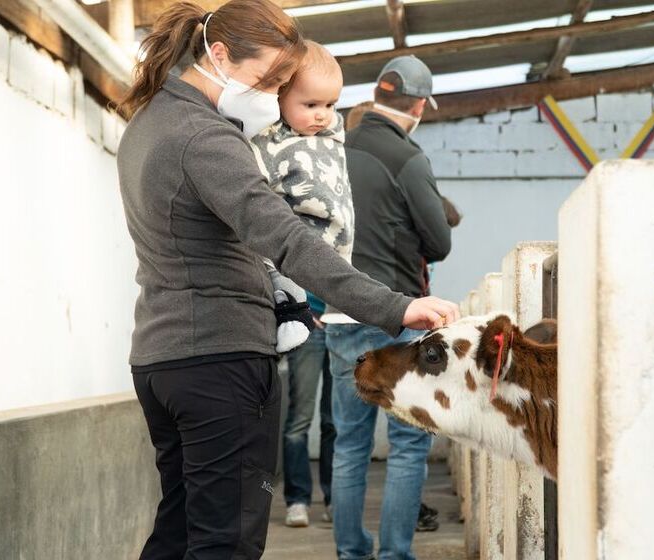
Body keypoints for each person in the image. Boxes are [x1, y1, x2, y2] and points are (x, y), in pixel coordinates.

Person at [115, 1, 460, 558]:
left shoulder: (148, 123)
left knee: (179, 531)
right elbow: (289, 240)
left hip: (162, 359)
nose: (273, 97)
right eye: (267, 81)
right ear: (219, 55)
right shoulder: (206, 139)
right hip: (218, 358)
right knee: (225, 541)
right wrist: (394, 308)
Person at [327, 56, 452, 560]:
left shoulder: (331, 148)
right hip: (402, 317)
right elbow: (439, 242)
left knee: (349, 444)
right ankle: (395, 553)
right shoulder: (409, 159)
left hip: (340, 314)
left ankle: (350, 552)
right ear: (418, 105)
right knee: (408, 445)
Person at [248, 41, 349, 527]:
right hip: (302, 290)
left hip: (338, 294)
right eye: (310, 105)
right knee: (301, 414)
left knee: (335, 416)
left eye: (330, 105)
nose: (323, 115)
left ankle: (332, 497)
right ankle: (297, 499)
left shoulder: (334, 140)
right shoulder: (265, 143)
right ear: (281, 98)